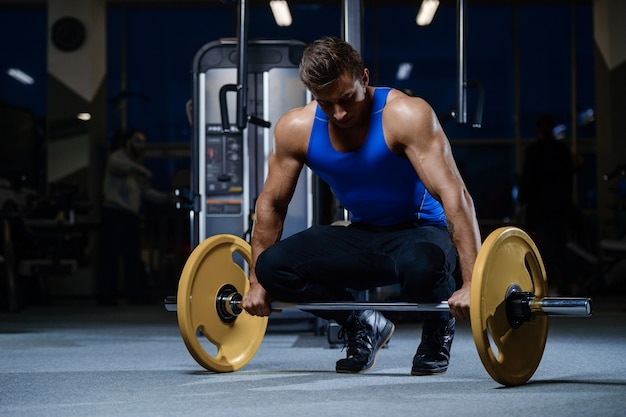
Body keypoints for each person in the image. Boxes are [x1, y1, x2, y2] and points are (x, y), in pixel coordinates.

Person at [242, 37, 482, 375]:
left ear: (364, 78)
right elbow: (272, 203)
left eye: (346, 99)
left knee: (421, 263)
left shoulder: (404, 114)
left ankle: (436, 329)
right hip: (364, 233)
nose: (339, 113)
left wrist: (472, 283)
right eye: (326, 103)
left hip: (422, 231)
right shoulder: (296, 128)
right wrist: (256, 283)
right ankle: (361, 323)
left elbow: (454, 195)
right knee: (271, 267)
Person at [97, 129, 173, 306]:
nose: (142, 145)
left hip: (130, 216)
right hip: (114, 213)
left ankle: (134, 296)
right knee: (110, 258)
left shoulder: (135, 166)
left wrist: (167, 198)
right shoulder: (118, 158)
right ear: (127, 142)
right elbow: (118, 166)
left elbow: (146, 192)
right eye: (137, 141)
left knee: (132, 257)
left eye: (144, 141)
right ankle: (106, 297)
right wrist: (141, 170)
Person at [519, 114, 574, 294]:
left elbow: (527, 180)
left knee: (543, 250)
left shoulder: (534, 150)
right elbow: (568, 179)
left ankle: (546, 286)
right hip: (559, 207)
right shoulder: (561, 150)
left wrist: (523, 203)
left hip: (541, 208)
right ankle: (563, 285)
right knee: (559, 248)